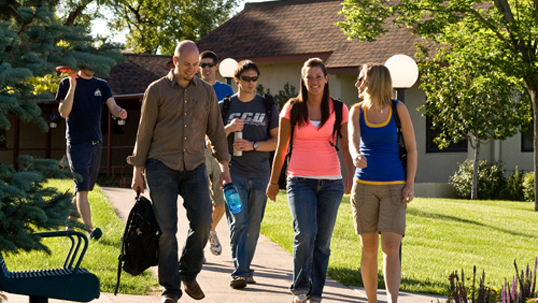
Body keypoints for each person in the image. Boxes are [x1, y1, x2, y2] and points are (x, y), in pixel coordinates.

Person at [127, 40, 232, 303]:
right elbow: (144, 131)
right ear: (175, 61)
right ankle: (171, 290)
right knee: (167, 229)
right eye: (187, 64)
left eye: (196, 65)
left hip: (195, 165)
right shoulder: (157, 90)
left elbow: (217, 131)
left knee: (203, 221)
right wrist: (137, 171)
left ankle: (188, 272)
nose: (192, 69)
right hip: (160, 166)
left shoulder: (206, 93)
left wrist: (224, 166)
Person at [266, 58, 354, 303]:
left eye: (318, 76)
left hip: (332, 182)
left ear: (326, 79)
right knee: (304, 234)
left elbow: (346, 145)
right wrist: (274, 182)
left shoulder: (339, 109)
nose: (314, 81)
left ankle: (316, 294)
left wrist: (351, 174)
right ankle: (300, 288)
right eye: (309, 77)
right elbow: (281, 148)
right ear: (303, 80)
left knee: (323, 242)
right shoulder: (292, 108)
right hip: (299, 180)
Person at [348, 63, 417, 303]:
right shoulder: (357, 110)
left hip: (394, 187)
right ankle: (372, 301)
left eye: (361, 79)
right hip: (364, 186)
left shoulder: (399, 109)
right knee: (369, 248)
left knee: (390, 246)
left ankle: (392, 301)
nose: (357, 84)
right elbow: (353, 139)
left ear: (374, 82)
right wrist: (356, 154)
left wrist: (409, 184)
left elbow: (411, 148)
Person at [221, 60, 279, 289]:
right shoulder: (224, 106)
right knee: (239, 221)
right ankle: (240, 272)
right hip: (234, 174)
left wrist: (253, 145)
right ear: (237, 79)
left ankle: (245, 267)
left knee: (253, 226)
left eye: (255, 78)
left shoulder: (266, 105)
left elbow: (276, 142)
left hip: (261, 174)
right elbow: (209, 140)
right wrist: (228, 129)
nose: (251, 83)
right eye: (246, 79)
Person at [56, 67, 127, 240]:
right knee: (82, 190)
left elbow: (112, 106)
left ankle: (68, 226)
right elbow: (64, 112)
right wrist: (73, 87)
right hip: (77, 143)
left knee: (83, 188)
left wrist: (119, 111)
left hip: (96, 144)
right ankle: (89, 229)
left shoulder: (101, 85)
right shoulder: (66, 83)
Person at [199, 50, 234, 256]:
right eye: (202, 65)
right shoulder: (193, 88)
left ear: (216, 66)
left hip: (220, 153)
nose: (206, 68)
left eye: (210, 64)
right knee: (201, 202)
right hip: (199, 152)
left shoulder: (226, 89)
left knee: (221, 204)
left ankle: (209, 231)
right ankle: (198, 245)